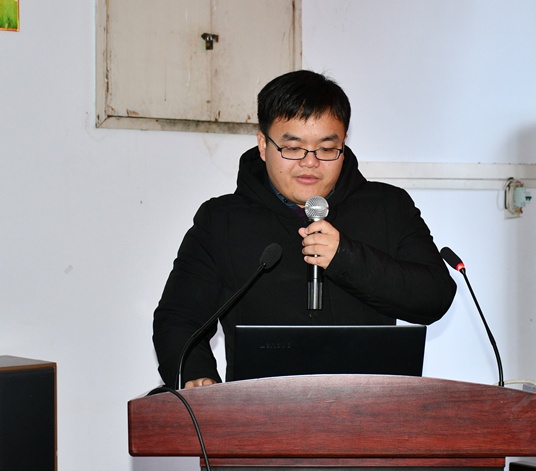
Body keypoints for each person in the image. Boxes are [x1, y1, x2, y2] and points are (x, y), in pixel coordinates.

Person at [153, 70, 457, 389]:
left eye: (326, 149)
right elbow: (179, 318)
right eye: (293, 148)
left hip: (371, 406)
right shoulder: (222, 220)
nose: (310, 162)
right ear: (263, 144)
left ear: (343, 144)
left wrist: (346, 258)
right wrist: (196, 375)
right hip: (258, 410)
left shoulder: (387, 207)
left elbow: (434, 296)